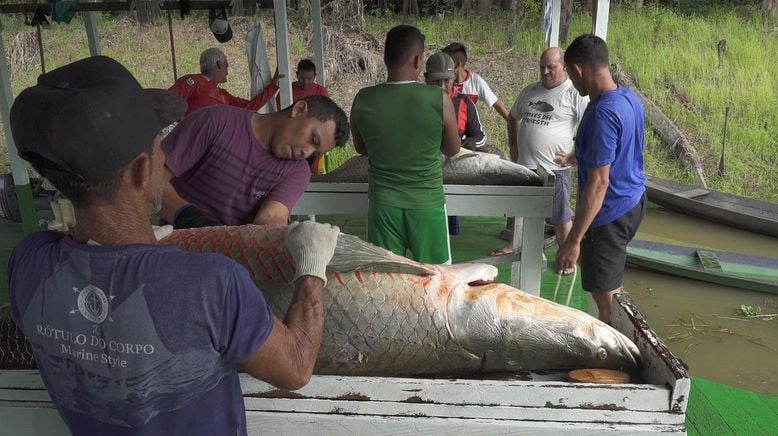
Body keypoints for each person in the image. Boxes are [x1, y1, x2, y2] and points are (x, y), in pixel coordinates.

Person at [7, 55, 341, 435]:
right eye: (159, 145)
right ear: (143, 171)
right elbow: (296, 367)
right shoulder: (210, 284)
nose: (166, 153)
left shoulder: (29, 262)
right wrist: (313, 269)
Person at [555, 34, 647, 323]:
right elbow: (619, 149)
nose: (571, 81)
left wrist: (573, 240)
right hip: (634, 201)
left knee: (606, 300)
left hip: (608, 213)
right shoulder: (628, 99)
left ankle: (615, 358)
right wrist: (578, 155)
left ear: (579, 69)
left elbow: (599, 182)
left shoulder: (602, 113)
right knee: (611, 287)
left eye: (570, 73)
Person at [350, 25, 461, 264]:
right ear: (418, 60)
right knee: (436, 280)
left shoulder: (363, 99)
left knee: (387, 279)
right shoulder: (438, 99)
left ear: (385, 58)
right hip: (427, 204)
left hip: (383, 205)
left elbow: (361, 148)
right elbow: (452, 149)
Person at [159, 95, 349, 228]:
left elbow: (273, 216)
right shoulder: (216, 122)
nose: (306, 152)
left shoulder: (297, 172)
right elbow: (150, 177)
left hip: (234, 262)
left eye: (316, 152)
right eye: (312, 139)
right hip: (173, 248)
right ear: (299, 110)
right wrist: (190, 218)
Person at [490, 47, 588, 256]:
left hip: (555, 168)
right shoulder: (530, 90)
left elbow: (590, 126)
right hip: (525, 164)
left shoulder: (574, 93)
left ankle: (566, 253)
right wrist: (514, 146)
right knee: (519, 208)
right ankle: (514, 245)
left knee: (559, 214)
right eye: (542, 67)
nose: (545, 72)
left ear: (564, 67)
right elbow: (513, 117)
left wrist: (577, 155)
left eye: (551, 67)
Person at [264, 59, 331, 174]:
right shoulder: (286, 91)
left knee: (313, 172)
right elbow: (279, 115)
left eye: (309, 79)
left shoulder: (321, 91)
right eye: (302, 78)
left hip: (312, 140)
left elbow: (326, 118)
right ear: (296, 75)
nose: (305, 82)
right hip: (292, 139)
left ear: (315, 76)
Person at [169, 47, 279, 117]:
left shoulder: (223, 94)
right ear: (218, 65)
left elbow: (250, 106)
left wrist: (274, 85)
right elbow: (169, 99)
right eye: (226, 66)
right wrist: (183, 122)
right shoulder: (193, 81)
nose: (227, 72)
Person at [424, 51, 486, 151]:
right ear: (426, 78)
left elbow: (480, 137)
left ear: (454, 78)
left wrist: (471, 143)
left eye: (447, 80)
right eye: (435, 81)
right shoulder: (417, 102)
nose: (441, 86)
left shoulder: (465, 103)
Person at [442, 42, 510, 122]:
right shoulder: (441, 81)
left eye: (445, 62)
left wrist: (515, 126)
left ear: (457, 64)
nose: (442, 65)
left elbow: (496, 103)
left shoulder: (475, 81)